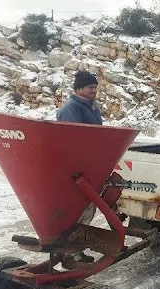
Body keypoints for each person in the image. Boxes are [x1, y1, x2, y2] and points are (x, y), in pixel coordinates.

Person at [56, 70, 103, 264]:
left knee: (88, 208)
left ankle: (74, 249)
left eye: (95, 87)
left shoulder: (90, 107)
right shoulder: (71, 109)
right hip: (77, 169)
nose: (94, 90)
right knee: (79, 210)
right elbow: (74, 141)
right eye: (90, 87)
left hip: (89, 166)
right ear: (79, 89)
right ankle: (70, 252)